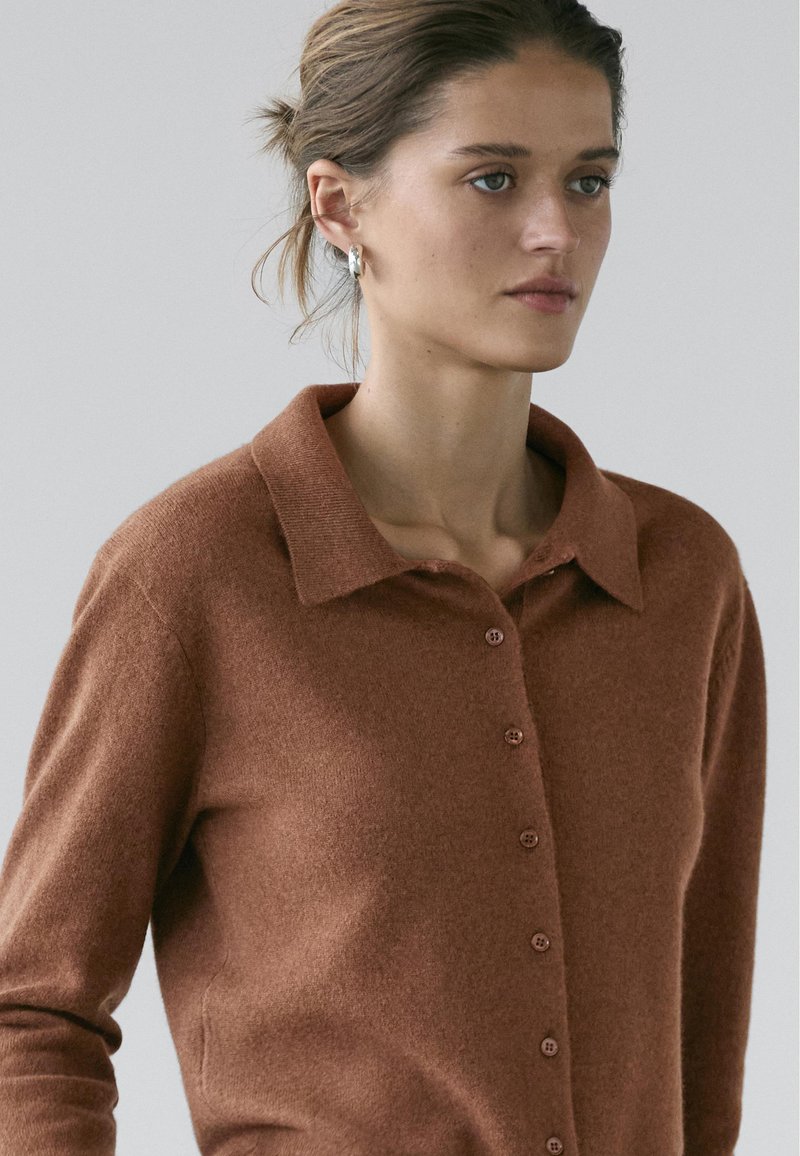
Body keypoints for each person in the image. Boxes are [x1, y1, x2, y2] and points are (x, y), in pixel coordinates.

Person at [0, 2, 767, 1155]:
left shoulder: (678, 575)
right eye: (493, 179)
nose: (555, 230)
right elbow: (31, 1010)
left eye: (588, 181)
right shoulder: (196, 570)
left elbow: (700, 1037)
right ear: (339, 206)